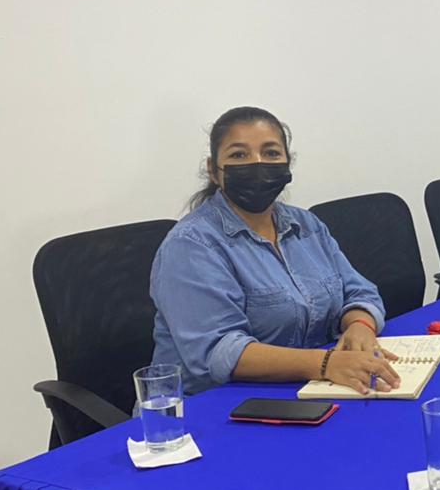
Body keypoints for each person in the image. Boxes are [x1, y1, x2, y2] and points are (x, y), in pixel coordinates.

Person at [151, 106, 401, 396]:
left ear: (286, 165)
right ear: (213, 170)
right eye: (238, 155)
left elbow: (359, 291)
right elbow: (218, 352)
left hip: (306, 388)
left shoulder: (306, 225)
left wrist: (360, 325)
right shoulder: (190, 245)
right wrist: (325, 363)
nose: (257, 164)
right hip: (211, 405)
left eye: (270, 153)